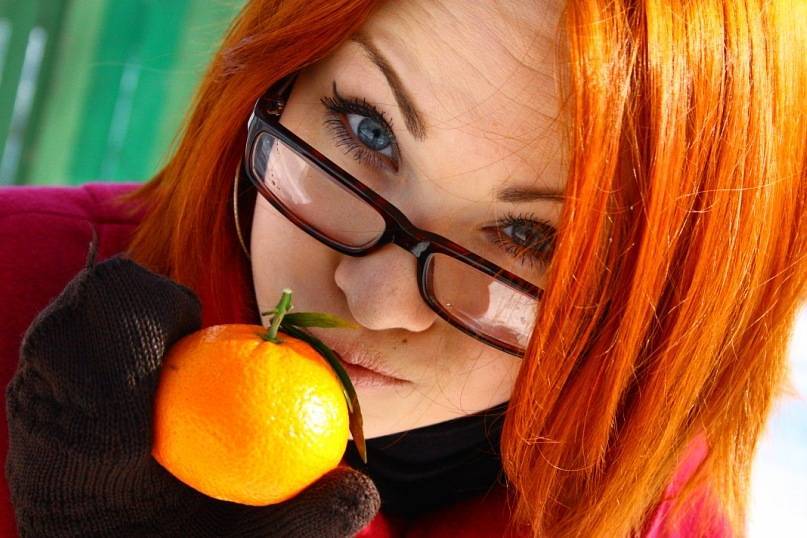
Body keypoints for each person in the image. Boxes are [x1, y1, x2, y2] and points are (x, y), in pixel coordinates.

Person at [2, 0, 805, 536]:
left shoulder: (656, 514)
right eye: (368, 131)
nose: (376, 299)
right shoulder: (17, 271)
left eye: (530, 238)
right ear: (276, 77)